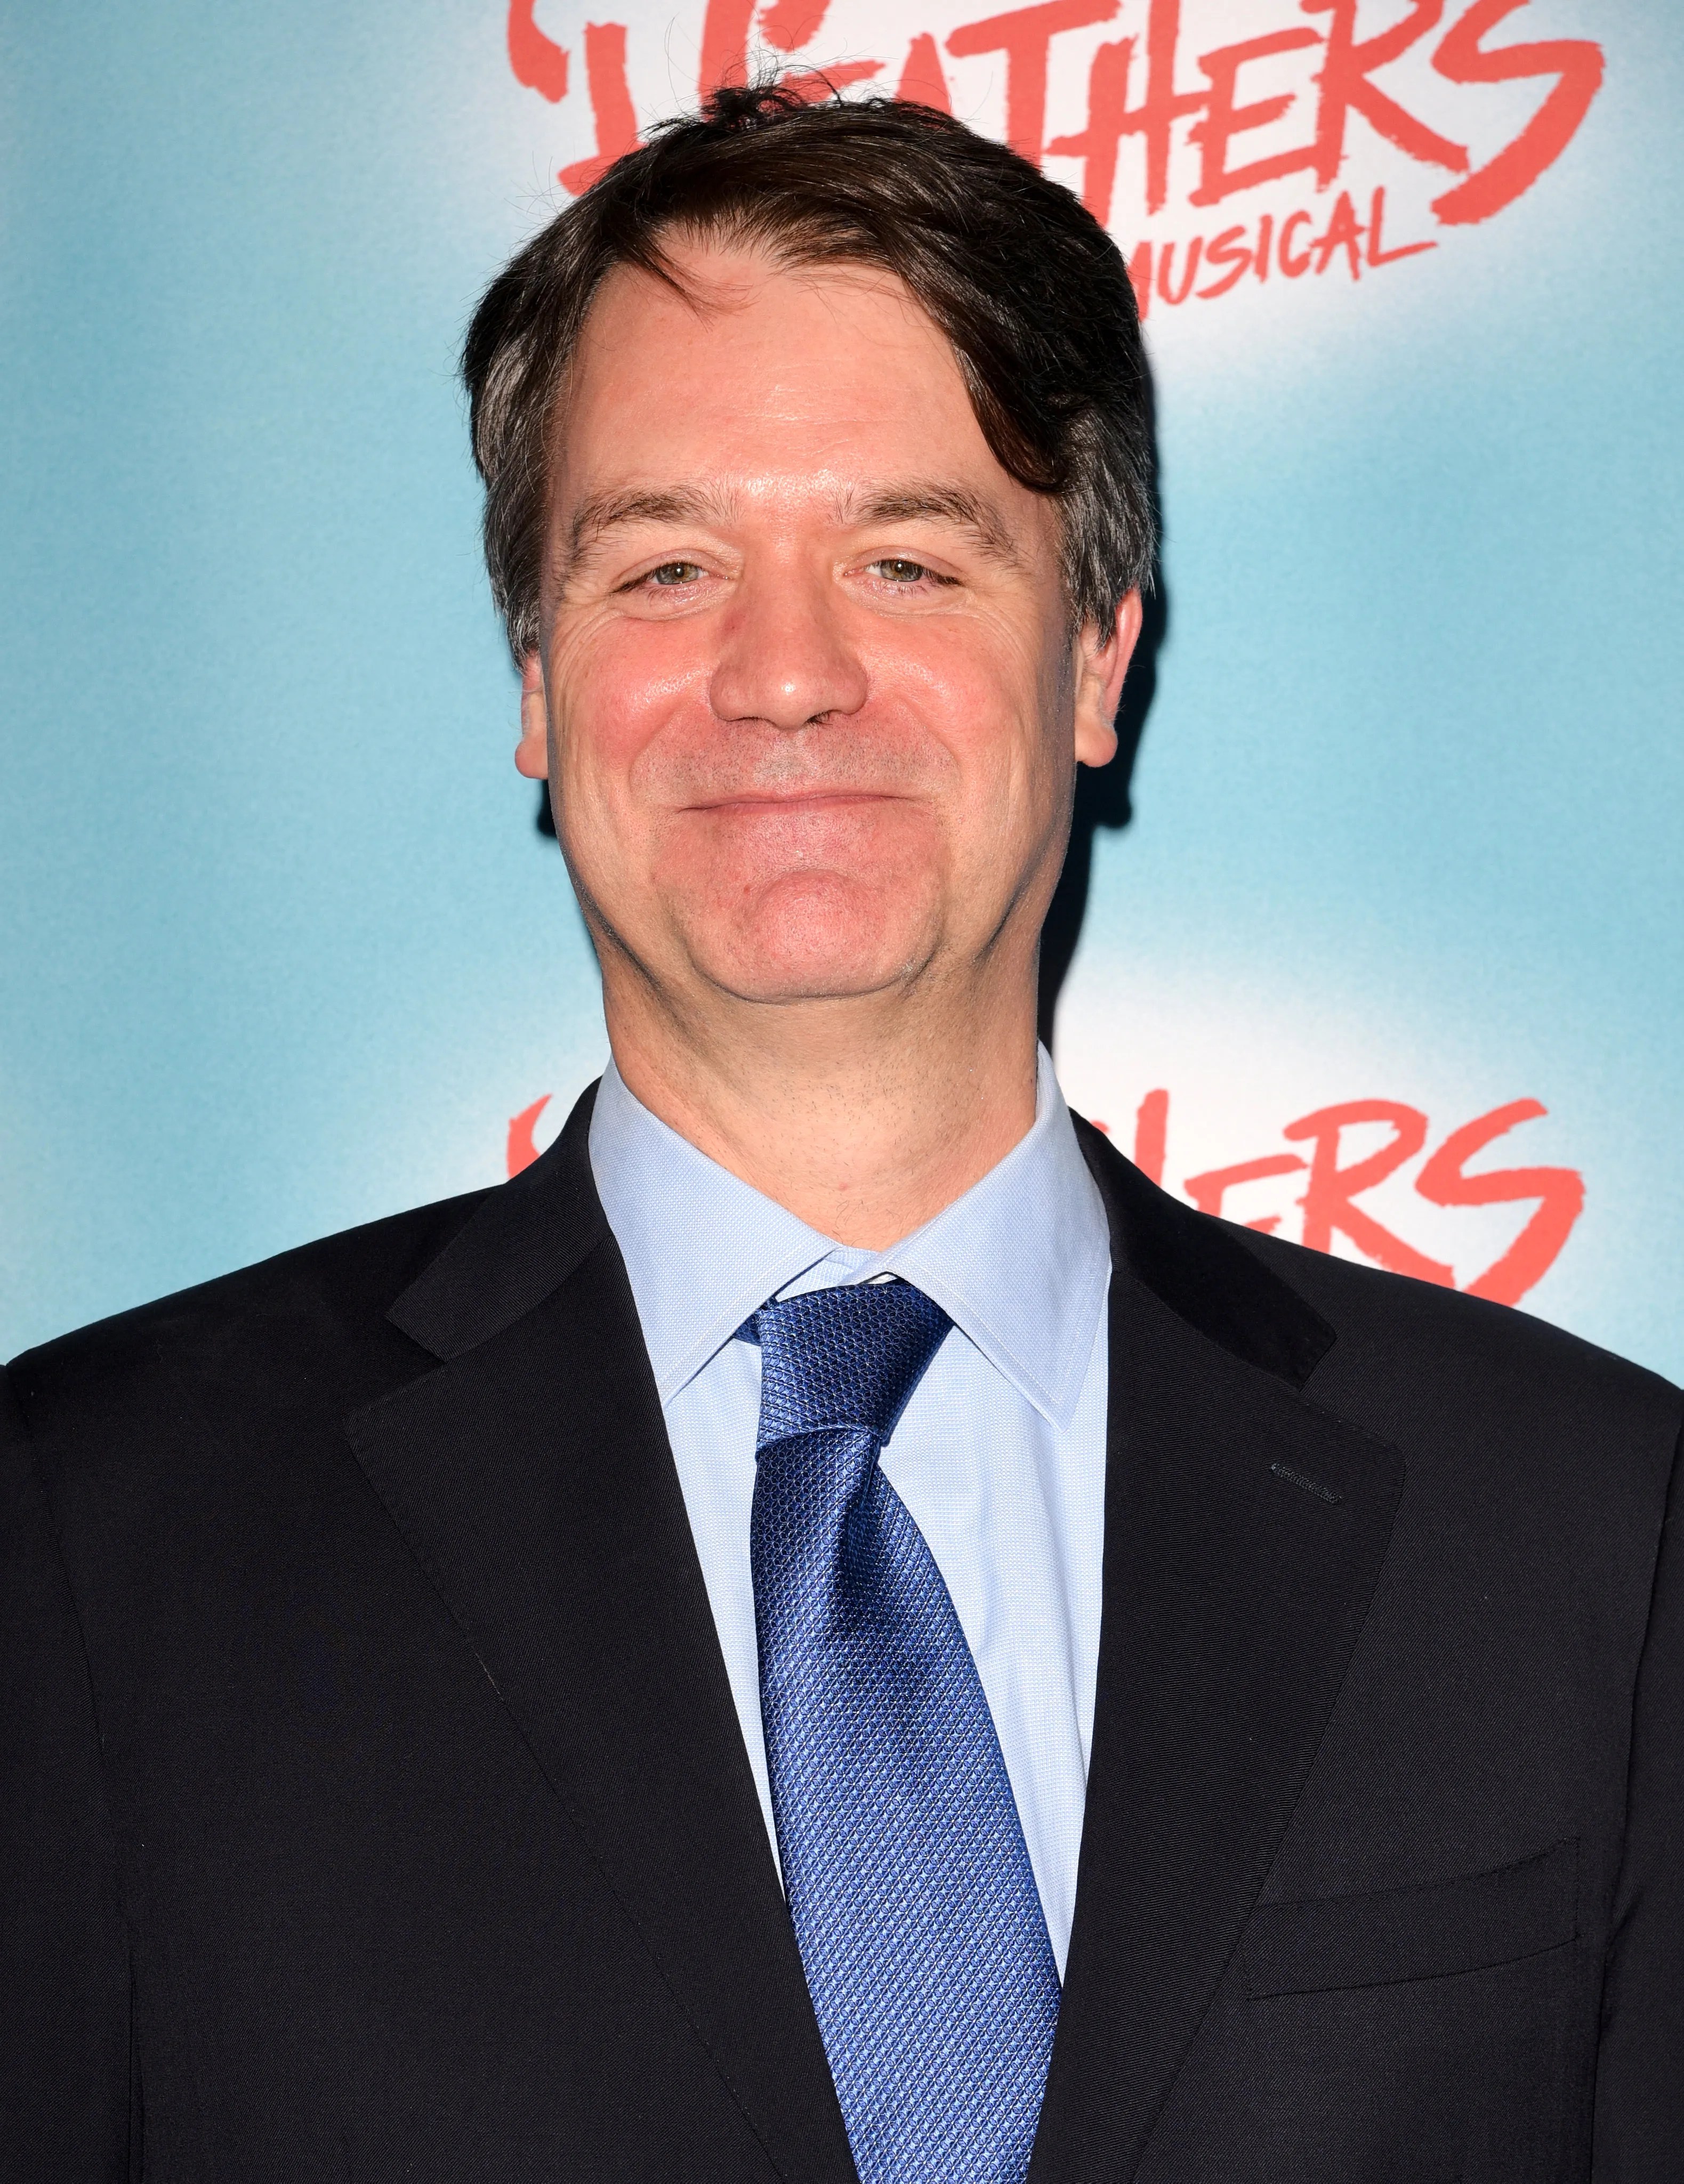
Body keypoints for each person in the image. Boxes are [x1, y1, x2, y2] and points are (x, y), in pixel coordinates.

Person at [2, 84, 1678, 2184]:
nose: (783, 673)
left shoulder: (1586, 1530)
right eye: (667, 564)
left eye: (905, 557)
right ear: (536, 679)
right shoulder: (85, 1540)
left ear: (1096, 656)